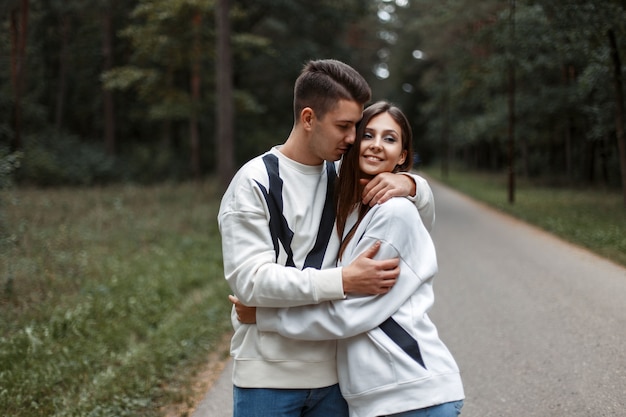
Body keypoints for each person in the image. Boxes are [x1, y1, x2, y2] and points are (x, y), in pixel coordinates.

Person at [218, 60, 436, 417]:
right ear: (308, 119)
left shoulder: (344, 177)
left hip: (337, 382)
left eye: (356, 127)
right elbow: (251, 282)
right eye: (344, 127)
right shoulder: (254, 183)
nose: (353, 139)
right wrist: (343, 280)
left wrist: (411, 184)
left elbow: (416, 224)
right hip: (268, 378)